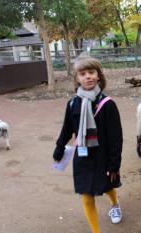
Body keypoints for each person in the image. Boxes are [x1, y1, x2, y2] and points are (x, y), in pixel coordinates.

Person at [53, 56, 123, 233]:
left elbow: (116, 138)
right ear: (77, 78)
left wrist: (114, 163)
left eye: (91, 72)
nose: (88, 77)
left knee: (107, 187)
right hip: (83, 156)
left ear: (99, 75)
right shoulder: (73, 103)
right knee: (86, 196)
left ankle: (115, 204)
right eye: (82, 74)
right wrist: (59, 147)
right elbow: (67, 128)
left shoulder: (108, 104)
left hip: (103, 157)